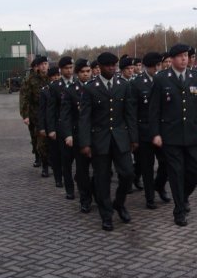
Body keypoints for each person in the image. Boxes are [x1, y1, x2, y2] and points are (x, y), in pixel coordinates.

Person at [149, 43, 197, 227]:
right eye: (180, 56)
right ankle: (179, 210)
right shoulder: (161, 79)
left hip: (193, 134)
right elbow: (154, 110)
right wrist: (155, 133)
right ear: (172, 59)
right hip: (171, 135)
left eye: (186, 55)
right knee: (176, 173)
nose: (184, 59)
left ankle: (183, 195)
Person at [79, 52, 138, 231]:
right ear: (100, 67)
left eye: (114, 65)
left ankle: (119, 203)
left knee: (128, 174)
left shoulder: (124, 85)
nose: (112, 68)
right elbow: (85, 118)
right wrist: (85, 143)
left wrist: (134, 138)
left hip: (121, 138)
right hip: (100, 140)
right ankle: (106, 215)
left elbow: (130, 113)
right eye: (108, 65)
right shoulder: (90, 88)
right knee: (102, 179)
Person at [130, 52, 170, 209]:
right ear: (147, 67)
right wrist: (134, 137)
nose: (158, 69)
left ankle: (159, 185)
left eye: (159, 65)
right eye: (155, 66)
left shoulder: (165, 80)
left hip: (162, 130)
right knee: (147, 166)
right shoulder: (137, 83)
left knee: (166, 162)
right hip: (144, 131)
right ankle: (150, 197)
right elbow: (132, 113)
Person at [60, 58, 94, 213]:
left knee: (102, 169)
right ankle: (85, 200)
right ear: (77, 73)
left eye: (88, 71)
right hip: (79, 135)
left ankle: (97, 193)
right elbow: (65, 115)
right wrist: (68, 134)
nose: (86, 74)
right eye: (82, 72)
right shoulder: (70, 90)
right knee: (82, 171)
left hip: (97, 135)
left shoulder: (96, 87)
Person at [47, 56, 75, 194]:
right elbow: (51, 109)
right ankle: (69, 188)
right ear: (61, 69)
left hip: (78, 126)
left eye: (71, 67)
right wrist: (51, 129)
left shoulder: (79, 83)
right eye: (66, 68)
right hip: (62, 127)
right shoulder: (55, 86)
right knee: (65, 159)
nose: (69, 70)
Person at [21, 56, 50, 176]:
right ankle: (43, 164)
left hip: (52, 114)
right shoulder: (30, 80)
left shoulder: (52, 77)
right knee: (39, 140)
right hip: (36, 115)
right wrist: (25, 115)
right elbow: (25, 98)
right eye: (41, 64)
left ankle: (51, 161)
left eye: (45, 64)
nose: (44, 66)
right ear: (37, 67)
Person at [37, 65, 60, 178]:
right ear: (49, 77)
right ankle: (45, 167)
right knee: (45, 147)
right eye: (53, 76)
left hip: (60, 122)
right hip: (48, 123)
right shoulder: (45, 91)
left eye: (57, 75)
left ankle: (57, 168)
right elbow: (41, 110)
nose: (56, 78)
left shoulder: (64, 88)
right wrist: (41, 127)